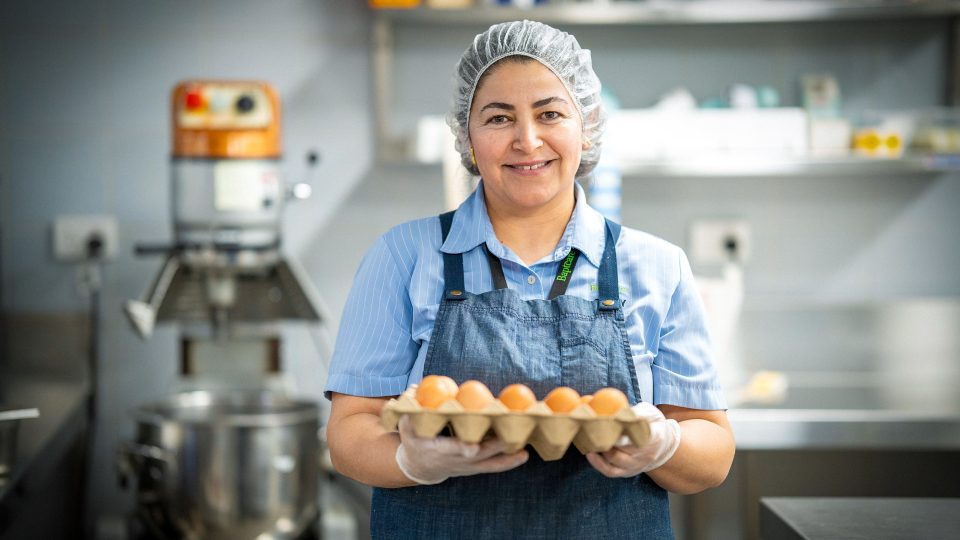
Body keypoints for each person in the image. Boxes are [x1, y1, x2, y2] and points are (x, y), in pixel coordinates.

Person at [325, 20, 735, 539]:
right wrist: (411, 460)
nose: (527, 139)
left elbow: (713, 451)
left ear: (585, 127)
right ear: (467, 138)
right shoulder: (403, 256)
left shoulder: (656, 266)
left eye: (550, 113)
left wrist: (664, 447)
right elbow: (348, 433)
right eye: (498, 118)